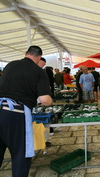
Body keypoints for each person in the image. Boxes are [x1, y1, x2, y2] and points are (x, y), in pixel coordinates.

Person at [0, 46, 53, 177]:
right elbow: (45, 100)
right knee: (20, 154)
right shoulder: (39, 71)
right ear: (39, 57)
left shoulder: (10, 65)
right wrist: (51, 101)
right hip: (15, 114)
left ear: (26, 53)